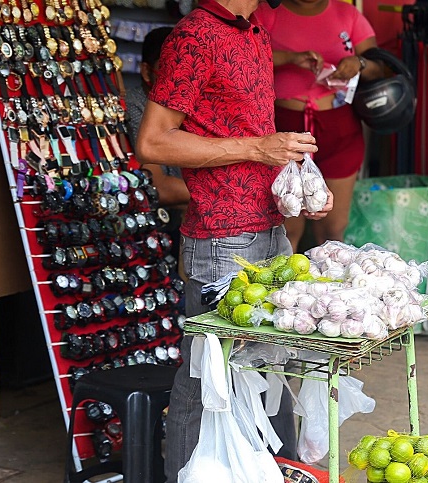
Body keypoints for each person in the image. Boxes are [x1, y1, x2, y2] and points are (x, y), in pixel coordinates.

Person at [134, 0, 334, 479]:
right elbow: (153, 142)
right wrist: (257, 148)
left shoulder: (255, 33)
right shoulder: (195, 36)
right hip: (222, 240)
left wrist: (293, 184)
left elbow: (247, 136)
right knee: (207, 381)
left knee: (269, 367)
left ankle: (275, 470)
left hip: (269, 228)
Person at [255, 0, 380, 252]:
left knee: (333, 230)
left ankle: (327, 289)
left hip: (339, 128)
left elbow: (380, 67)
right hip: (282, 129)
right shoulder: (267, 12)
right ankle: (283, 289)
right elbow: (244, 55)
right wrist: (290, 58)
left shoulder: (347, 14)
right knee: (286, 228)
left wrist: (359, 63)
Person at [126, 26, 190, 260]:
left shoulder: (184, 106)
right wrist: (223, 196)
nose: (178, 77)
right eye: (169, 69)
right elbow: (158, 188)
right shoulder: (135, 107)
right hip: (149, 233)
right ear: (146, 72)